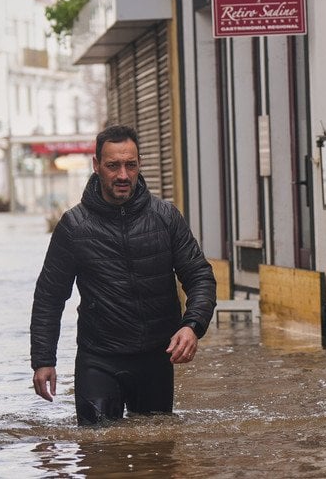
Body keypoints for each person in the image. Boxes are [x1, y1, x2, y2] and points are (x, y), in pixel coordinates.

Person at [30, 125, 217, 425]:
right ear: (96, 166)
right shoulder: (74, 226)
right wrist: (43, 360)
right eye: (113, 166)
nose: (123, 175)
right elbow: (49, 298)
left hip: (156, 358)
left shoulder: (165, 217)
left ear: (139, 164)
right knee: (99, 452)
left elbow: (200, 276)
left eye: (130, 165)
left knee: (156, 455)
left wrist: (193, 325)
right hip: (99, 359)